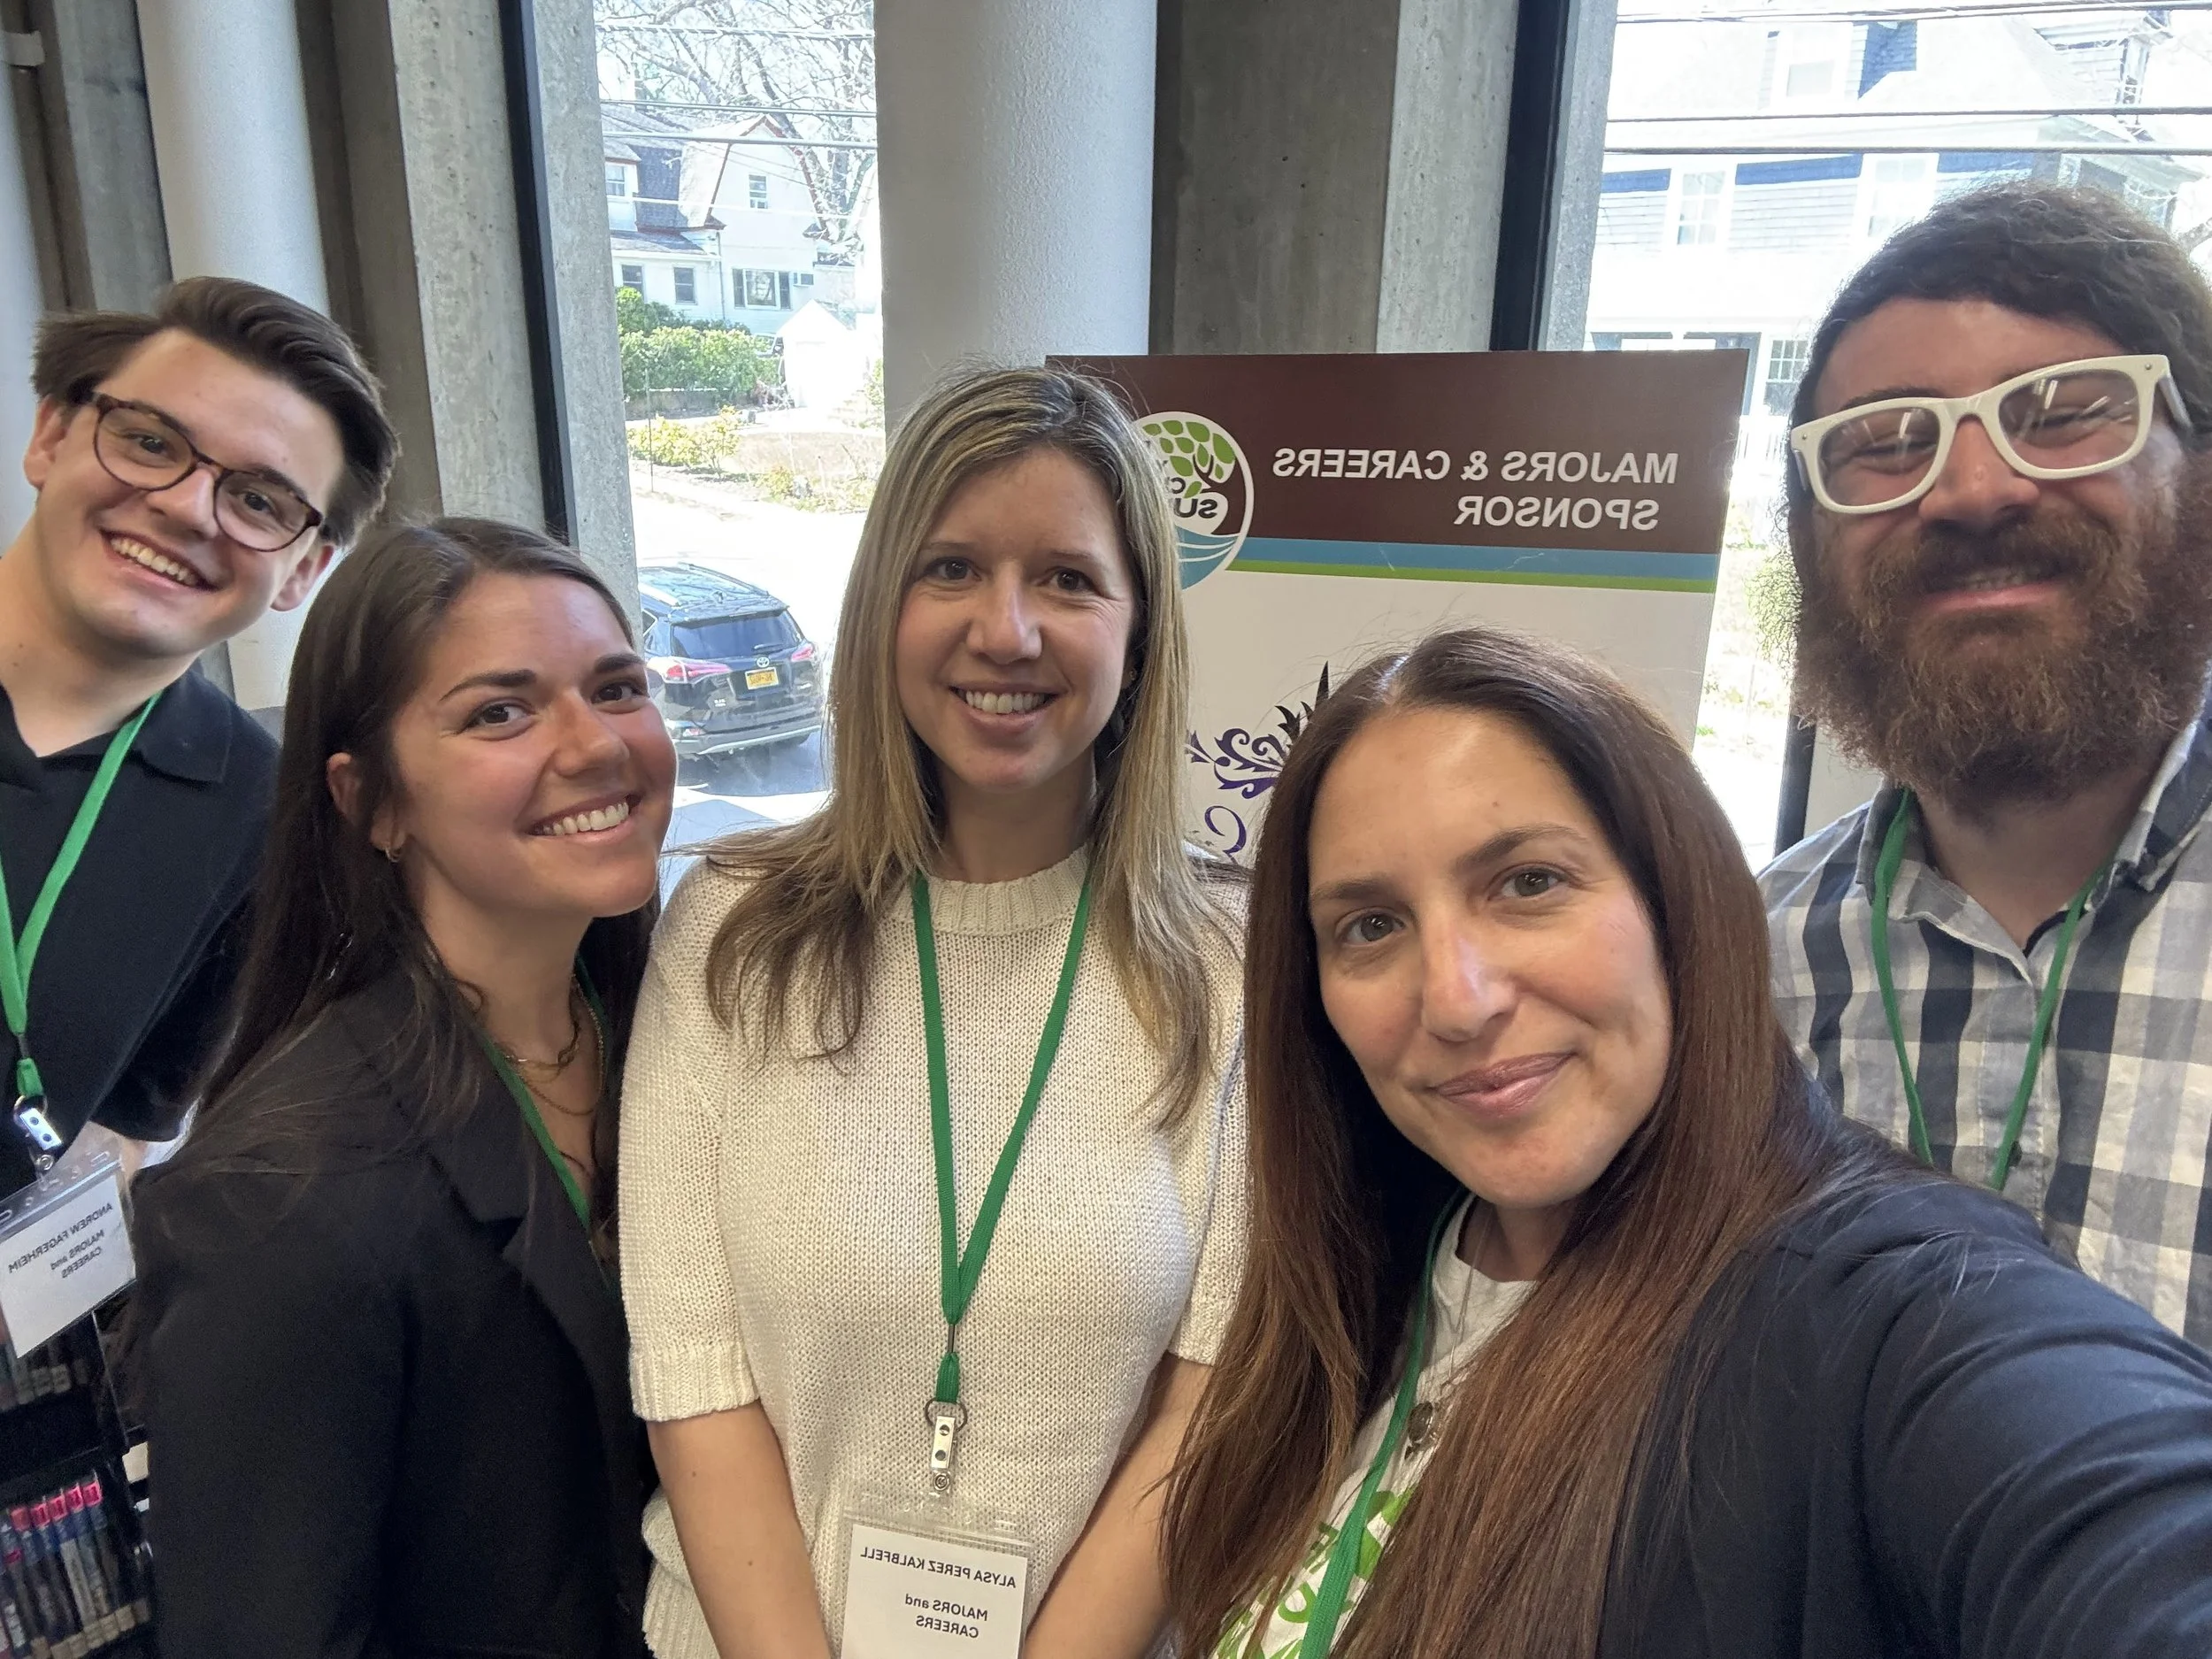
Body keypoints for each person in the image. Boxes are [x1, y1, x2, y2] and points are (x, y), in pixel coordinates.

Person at [1164, 626, 2212, 1659]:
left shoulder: (1879, 1314)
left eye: (1528, 883)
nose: (1455, 1000)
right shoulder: (1362, 1289)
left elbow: (2126, 1523)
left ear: (1680, 898)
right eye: (1370, 926)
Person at [621, 366, 1248, 1659]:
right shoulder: (730, 933)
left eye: (1068, 579)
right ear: (879, 609)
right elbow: (692, 1375)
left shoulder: (1227, 975)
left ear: (1139, 632)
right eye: (951, 568)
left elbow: (1208, 1401)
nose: (1006, 630)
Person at [129, 518, 675, 1657]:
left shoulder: (680, 1050)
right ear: (371, 800)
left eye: (616, 687)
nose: (595, 745)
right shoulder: (277, 1195)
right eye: (500, 711)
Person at [1761, 181, 2212, 1341]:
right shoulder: (1740, 969)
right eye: (1886, 444)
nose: (1971, 489)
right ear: (1810, 544)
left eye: (2063, 412)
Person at [0, 275, 396, 1198]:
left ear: (303, 571)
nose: (186, 508)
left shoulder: (264, 814)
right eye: (150, 443)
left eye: (260, 501)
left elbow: (125, 1126)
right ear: (52, 435)